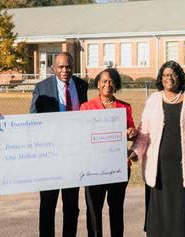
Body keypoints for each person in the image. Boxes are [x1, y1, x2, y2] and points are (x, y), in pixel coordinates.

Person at [129, 60, 185, 237]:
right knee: (164, 210)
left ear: (179, 77)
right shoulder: (153, 100)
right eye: (165, 75)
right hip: (160, 167)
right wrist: (135, 151)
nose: (169, 78)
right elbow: (144, 132)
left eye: (173, 74)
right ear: (161, 78)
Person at [30, 52, 88, 237]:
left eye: (68, 66)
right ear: (54, 68)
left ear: (73, 67)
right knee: (48, 205)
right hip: (50, 157)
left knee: (71, 206)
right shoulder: (42, 88)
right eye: (61, 67)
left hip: (73, 155)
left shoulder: (81, 86)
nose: (65, 70)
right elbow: (33, 119)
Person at [80, 68, 137, 237]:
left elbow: (131, 128)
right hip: (94, 168)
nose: (107, 84)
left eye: (111, 81)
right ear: (98, 84)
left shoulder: (124, 107)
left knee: (117, 210)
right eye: (104, 81)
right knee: (94, 211)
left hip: (118, 167)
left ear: (116, 84)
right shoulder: (86, 107)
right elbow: (82, 135)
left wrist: (131, 132)